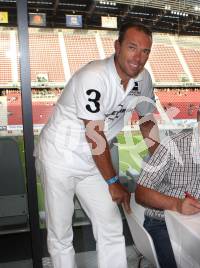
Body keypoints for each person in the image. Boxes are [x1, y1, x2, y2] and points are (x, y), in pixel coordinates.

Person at [34, 21, 158, 268]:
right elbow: (95, 135)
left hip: (94, 162)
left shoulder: (143, 78)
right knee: (61, 232)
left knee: (111, 225)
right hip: (61, 156)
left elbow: (147, 121)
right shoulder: (94, 76)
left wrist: (161, 161)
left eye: (145, 51)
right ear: (117, 47)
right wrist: (113, 182)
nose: (139, 57)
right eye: (132, 47)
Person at [135, 97, 200, 268]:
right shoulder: (171, 145)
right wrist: (177, 205)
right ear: (198, 116)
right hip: (164, 223)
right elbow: (141, 192)